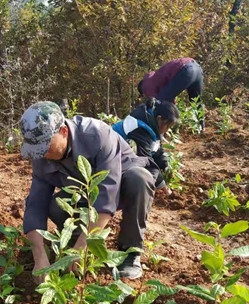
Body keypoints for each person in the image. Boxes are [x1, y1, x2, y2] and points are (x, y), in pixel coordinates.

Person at [20, 101, 162, 281]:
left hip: (122, 184)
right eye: (37, 150)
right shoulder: (41, 154)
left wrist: (82, 247)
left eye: (45, 147)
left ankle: (130, 253)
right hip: (83, 191)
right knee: (56, 206)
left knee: (139, 179)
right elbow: (35, 205)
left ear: (63, 132)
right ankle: (77, 238)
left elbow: (106, 195)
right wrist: (39, 258)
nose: (41, 155)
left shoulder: (97, 135)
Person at [112, 98, 180, 190]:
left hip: (126, 156)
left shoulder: (153, 123)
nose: (168, 129)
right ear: (159, 119)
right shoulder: (140, 128)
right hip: (113, 158)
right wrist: (161, 185)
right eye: (168, 126)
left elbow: (156, 149)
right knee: (141, 171)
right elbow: (146, 160)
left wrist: (165, 165)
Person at [138, 57, 203, 130]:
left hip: (186, 69)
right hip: (197, 68)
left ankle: (159, 132)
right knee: (196, 101)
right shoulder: (156, 78)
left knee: (159, 104)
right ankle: (201, 128)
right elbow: (170, 96)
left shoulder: (146, 85)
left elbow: (156, 103)